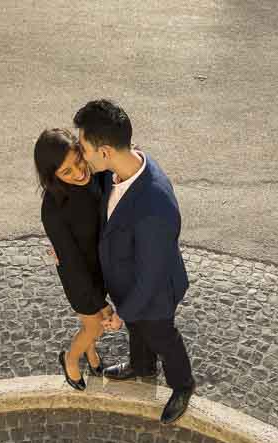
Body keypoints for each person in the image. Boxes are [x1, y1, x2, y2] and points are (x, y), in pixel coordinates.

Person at [73, 99, 195, 424]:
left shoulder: (155, 206)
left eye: (84, 148)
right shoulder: (120, 168)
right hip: (129, 284)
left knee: (161, 336)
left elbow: (151, 277)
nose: (81, 156)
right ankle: (142, 367)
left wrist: (122, 314)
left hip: (153, 292)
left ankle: (183, 385)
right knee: (138, 329)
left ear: (105, 152)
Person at [34, 128, 112, 391]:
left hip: (101, 269)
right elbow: (71, 261)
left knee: (91, 325)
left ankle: (91, 355)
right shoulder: (53, 210)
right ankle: (70, 359)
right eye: (67, 172)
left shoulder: (94, 174)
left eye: (79, 160)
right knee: (95, 328)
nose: (79, 172)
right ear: (52, 176)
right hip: (78, 278)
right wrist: (100, 303)